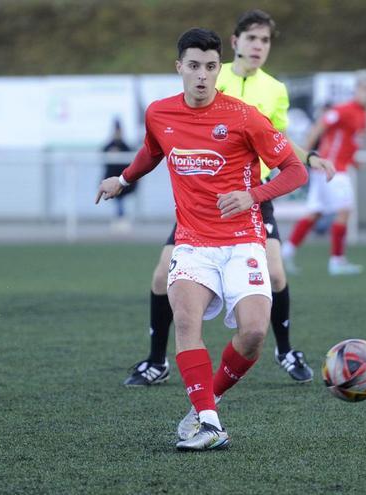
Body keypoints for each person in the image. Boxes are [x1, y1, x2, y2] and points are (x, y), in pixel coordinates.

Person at [97, 28, 308, 450]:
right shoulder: (159, 113)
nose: (201, 76)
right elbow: (153, 152)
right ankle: (211, 423)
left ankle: (203, 404)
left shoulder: (245, 116)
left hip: (244, 241)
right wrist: (122, 179)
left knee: (253, 334)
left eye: (210, 67)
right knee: (187, 323)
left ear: (218, 69)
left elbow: (295, 171)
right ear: (179, 68)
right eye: (193, 66)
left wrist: (252, 194)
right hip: (192, 242)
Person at [122, 9, 334, 388]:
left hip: (251, 200)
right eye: (252, 39)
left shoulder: (274, 91)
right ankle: (156, 360)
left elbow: (280, 144)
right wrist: (123, 179)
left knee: (275, 272)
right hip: (198, 202)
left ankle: (284, 350)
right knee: (160, 276)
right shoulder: (210, 79)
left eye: (265, 40)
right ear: (234, 44)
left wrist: (311, 157)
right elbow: (159, 146)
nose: (259, 47)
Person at [282, 72, 366, 276]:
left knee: (316, 212)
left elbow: (348, 143)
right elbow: (320, 126)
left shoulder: (363, 115)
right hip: (332, 168)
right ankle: (337, 261)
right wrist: (306, 155)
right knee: (344, 210)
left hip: (334, 167)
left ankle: (287, 252)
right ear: (357, 90)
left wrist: (354, 160)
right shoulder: (344, 110)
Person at [102, 119, 135, 232]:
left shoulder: (124, 146)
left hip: (122, 181)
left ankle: (121, 219)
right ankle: (119, 219)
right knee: (118, 201)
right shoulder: (109, 145)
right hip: (112, 179)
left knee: (120, 200)